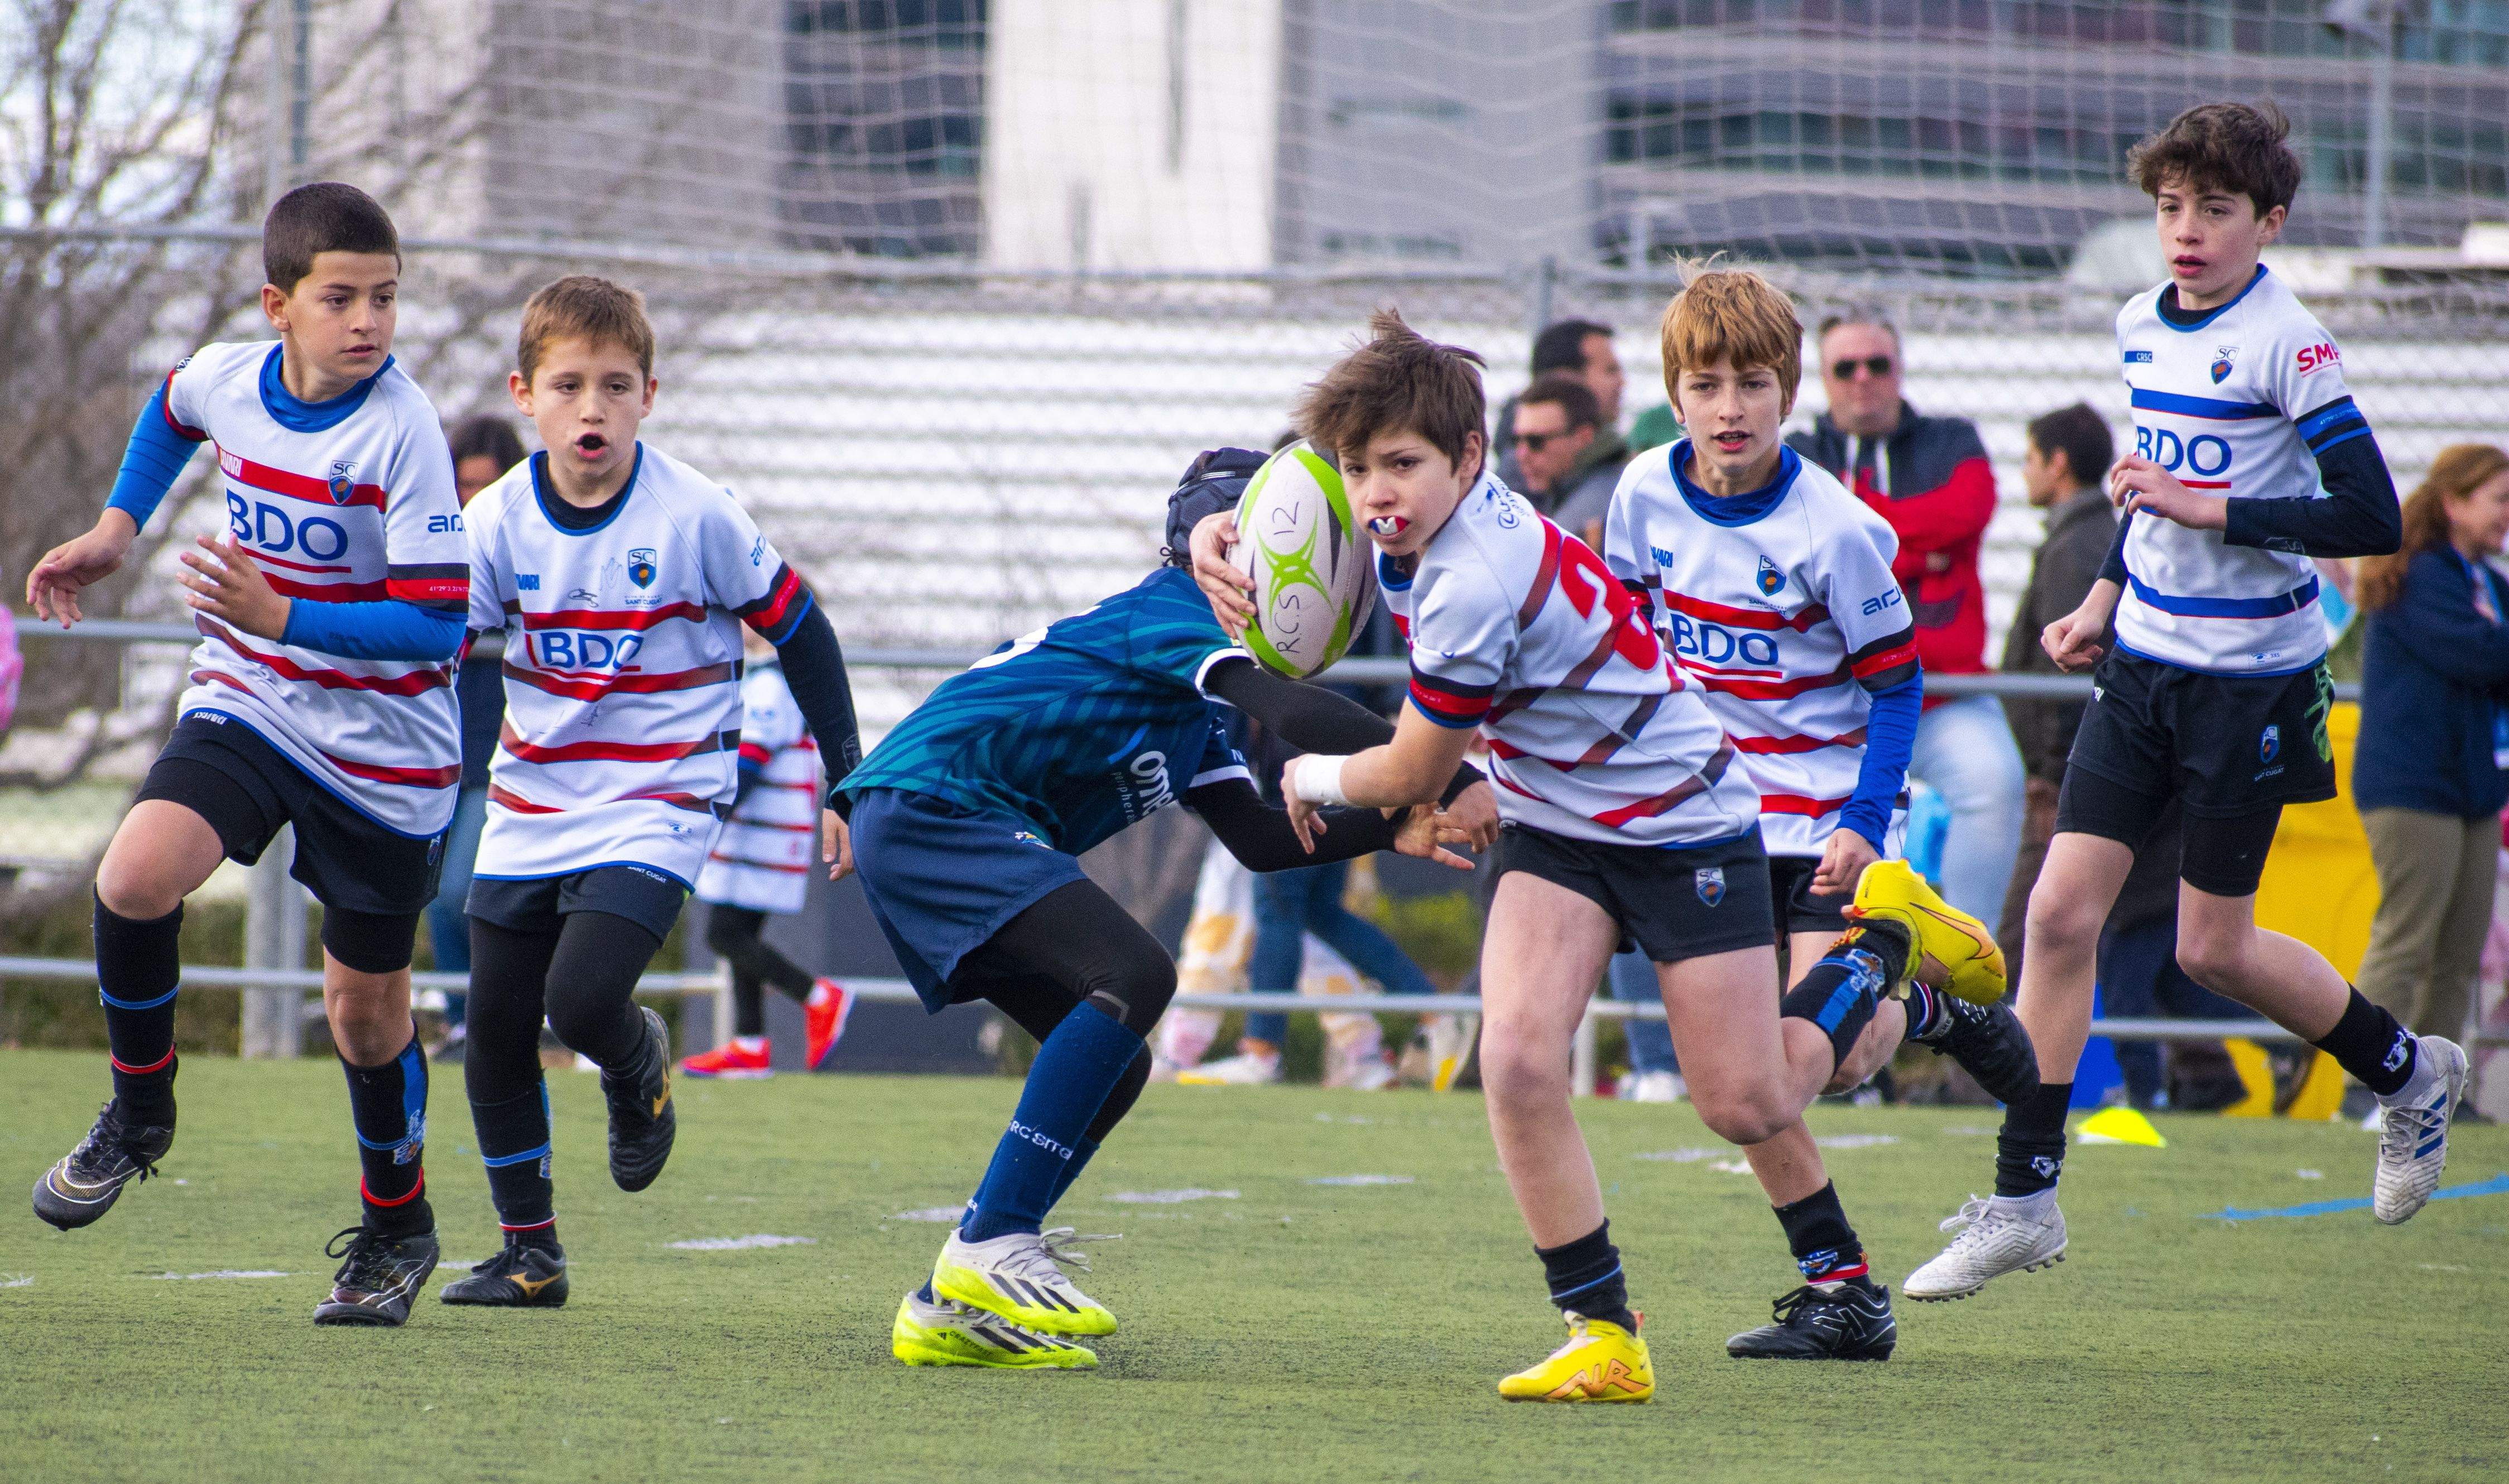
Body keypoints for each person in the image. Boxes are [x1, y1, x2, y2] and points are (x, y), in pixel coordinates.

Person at [1191, 309, 2006, 1396]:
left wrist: (1312, 779)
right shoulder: (1398, 513)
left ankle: (1880, 957)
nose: (1376, 493)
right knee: (1518, 1058)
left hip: (1682, 823)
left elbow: (1409, 768)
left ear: (1468, 458)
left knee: (1746, 1101)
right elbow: (1251, 483)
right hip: (1557, 826)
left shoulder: (1474, 576)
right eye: (1358, 469)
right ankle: (1605, 1334)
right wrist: (1204, 532)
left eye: (1401, 465)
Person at [1905, 102, 2453, 1304]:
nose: (2187, 230)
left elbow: (2369, 514)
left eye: (2215, 208)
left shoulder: (2291, 345)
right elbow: (2153, 490)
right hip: (2142, 664)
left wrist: (2216, 511)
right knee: (2059, 917)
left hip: (2249, 684)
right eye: (2169, 207)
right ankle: (2023, 1200)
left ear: (2270, 222)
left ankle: (2408, 1074)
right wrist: (2104, 594)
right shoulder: (2138, 323)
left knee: (2212, 948)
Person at [844, 445, 1498, 1372]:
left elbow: (1261, 839)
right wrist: (1444, 770)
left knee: (1119, 1061)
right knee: (1135, 974)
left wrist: (1389, 829)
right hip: (934, 805)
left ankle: (946, 1304)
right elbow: (1295, 711)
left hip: (935, 816)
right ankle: (992, 1241)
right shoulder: (1172, 610)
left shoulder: (1197, 706)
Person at [25, 184, 469, 1326]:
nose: (368, 321)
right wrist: (117, 527)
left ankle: (398, 1224)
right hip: (253, 702)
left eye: (386, 298)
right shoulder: (230, 376)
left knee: (364, 1018)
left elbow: (437, 624)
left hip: (387, 754)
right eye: (341, 298)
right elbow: (172, 406)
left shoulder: (404, 430)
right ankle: (142, 1110)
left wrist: (285, 615)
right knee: (135, 876)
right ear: (279, 307)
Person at [439, 275, 864, 1309]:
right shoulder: (493, 520)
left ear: (649, 397)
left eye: (615, 386)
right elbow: (434, 650)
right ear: (525, 396)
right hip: (532, 799)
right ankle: (531, 1256)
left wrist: (848, 777)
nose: (592, 408)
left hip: (662, 796)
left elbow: (803, 630)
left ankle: (638, 1065)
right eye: (568, 386)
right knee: (495, 1028)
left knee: (582, 1001)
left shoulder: (695, 512)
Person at [1611, 266, 2039, 1130]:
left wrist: (1862, 821)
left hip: (1825, 814)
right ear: (1676, 397)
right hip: (1717, 809)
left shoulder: (1834, 529)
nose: (1730, 409)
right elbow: (1633, 650)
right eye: (1706, 386)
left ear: (1790, 392)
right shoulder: (1643, 494)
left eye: (1753, 384)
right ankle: (1825, 1184)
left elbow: (1898, 685)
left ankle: (1918, 991)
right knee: (1752, 1065)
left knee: (1837, 1059)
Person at [1789, 311, 2025, 937]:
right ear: (1823, 378)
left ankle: (1963, 953)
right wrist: (1924, 554)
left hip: (1944, 694)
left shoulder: (1952, 438)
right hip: (1833, 701)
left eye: (1878, 364)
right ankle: (1833, 948)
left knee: (1995, 783)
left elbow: (1968, 509)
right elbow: (1805, 544)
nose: (1863, 378)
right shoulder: (1801, 454)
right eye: (1845, 367)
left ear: (1899, 369)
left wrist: (1861, 532)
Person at [2352, 444, 2509, 1057]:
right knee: (2406, 941)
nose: (2507, 515)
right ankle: (2364, 1077)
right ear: (2452, 503)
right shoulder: (2418, 576)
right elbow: (2480, 655)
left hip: (2473, 790)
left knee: (2458, 955)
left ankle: (2435, 1083)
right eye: (2499, 500)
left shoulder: (2488, 585)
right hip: (2412, 788)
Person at [679, 629, 855, 1078]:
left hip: (762, 830)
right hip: (766, 829)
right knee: (738, 931)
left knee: (725, 934)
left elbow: (750, 762)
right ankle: (750, 1044)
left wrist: (708, 816)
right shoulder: (774, 677)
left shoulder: (772, 683)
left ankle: (820, 997)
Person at [1996, 403, 2120, 975]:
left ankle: (2001, 1040)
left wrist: (2049, 777)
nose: (2024, 472)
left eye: (2030, 458)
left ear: (2058, 464)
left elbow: (2066, 674)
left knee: (2019, 947)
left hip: (2063, 783)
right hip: (2078, 773)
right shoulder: (2089, 537)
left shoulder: (2074, 549)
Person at [424, 415, 530, 1059]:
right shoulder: (433, 547)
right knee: (432, 892)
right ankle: (464, 1022)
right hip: (438, 747)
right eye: (464, 485)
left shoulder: (524, 549)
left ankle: (492, 1018)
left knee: (461, 888)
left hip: (502, 754)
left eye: (487, 486)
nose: (474, 500)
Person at [1495, 318, 1624, 491]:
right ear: (1565, 378)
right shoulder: (1522, 479)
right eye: (1610, 370)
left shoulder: (1600, 461)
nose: (1622, 382)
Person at [1511, 373, 1623, 550]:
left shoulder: (1602, 504)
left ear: (1584, 437)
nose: (1522, 454)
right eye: (1516, 441)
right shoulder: (1565, 488)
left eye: (1536, 441)